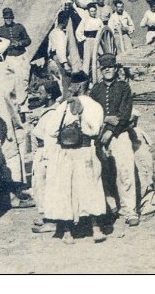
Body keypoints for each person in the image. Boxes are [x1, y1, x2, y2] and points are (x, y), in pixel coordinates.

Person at [38, 73, 108, 243]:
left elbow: (52, 130)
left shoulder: (64, 106)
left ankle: (68, 232)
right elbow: (95, 131)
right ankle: (95, 229)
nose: (69, 88)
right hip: (86, 151)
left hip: (67, 153)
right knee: (90, 189)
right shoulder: (95, 106)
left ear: (78, 86)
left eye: (72, 85)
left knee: (66, 190)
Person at [0, 38, 34, 210]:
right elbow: (13, 96)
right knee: (9, 152)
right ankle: (11, 195)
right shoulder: (6, 70)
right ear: (4, 54)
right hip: (4, 115)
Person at [89, 53, 138, 228]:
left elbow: (125, 114)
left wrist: (111, 128)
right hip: (100, 136)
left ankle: (130, 210)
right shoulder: (96, 90)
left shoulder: (124, 87)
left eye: (110, 67)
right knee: (103, 172)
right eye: (104, 68)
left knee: (125, 171)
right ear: (101, 70)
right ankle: (110, 208)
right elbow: (93, 114)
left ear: (116, 69)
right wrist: (104, 126)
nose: (107, 70)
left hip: (120, 134)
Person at [27, 79, 62, 234]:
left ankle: (52, 220)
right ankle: (46, 214)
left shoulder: (54, 112)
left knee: (47, 185)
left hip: (47, 151)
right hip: (40, 152)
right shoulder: (45, 110)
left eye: (41, 93)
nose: (38, 96)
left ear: (49, 95)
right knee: (39, 184)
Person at [0, 7, 32, 85]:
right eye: (6, 18)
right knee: (10, 80)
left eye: (10, 17)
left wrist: (19, 43)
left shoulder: (19, 27)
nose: (8, 19)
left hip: (21, 56)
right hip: (8, 57)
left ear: (13, 17)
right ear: (4, 18)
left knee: (23, 78)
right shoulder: (0, 30)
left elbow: (28, 40)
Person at [74, 2, 104, 82]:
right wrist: (84, 38)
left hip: (97, 41)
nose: (93, 13)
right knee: (87, 60)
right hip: (88, 41)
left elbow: (103, 30)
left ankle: (98, 78)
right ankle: (85, 79)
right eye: (91, 11)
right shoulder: (85, 20)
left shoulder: (99, 20)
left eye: (94, 11)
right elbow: (78, 31)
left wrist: (100, 39)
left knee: (97, 58)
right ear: (88, 12)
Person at [47, 10, 74, 97]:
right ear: (65, 20)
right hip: (60, 59)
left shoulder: (52, 32)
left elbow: (49, 48)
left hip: (53, 57)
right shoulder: (60, 34)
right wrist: (65, 64)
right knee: (66, 80)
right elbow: (61, 50)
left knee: (60, 80)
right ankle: (66, 98)